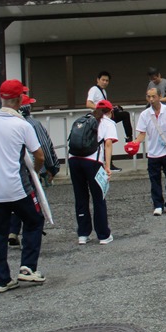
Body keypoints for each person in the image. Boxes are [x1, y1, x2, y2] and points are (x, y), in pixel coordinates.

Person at [0, 79, 46, 294]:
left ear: (2, 98)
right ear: (20, 99)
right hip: (17, 186)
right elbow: (39, 155)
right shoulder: (22, 125)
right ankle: (27, 267)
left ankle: (1, 279)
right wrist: (35, 172)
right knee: (34, 220)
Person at [8, 93, 60, 246]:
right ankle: (29, 238)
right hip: (29, 169)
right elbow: (45, 147)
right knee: (30, 204)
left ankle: (13, 230)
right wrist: (52, 168)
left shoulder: (7, 124)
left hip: (11, 170)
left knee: (15, 201)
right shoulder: (33, 124)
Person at [68, 99, 116, 244]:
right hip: (92, 161)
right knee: (98, 197)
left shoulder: (82, 119)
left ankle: (83, 234)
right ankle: (103, 235)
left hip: (73, 160)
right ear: (110, 111)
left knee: (80, 197)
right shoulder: (108, 122)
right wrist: (107, 166)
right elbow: (108, 144)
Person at [133, 88, 166, 215]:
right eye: (148, 96)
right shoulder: (145, 114)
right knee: (154, 180)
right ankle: (158, 205)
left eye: (154, 96)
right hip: (153, 152)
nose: (151, 99)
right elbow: (142, 133)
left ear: (160, 96)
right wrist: (135, 143)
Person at [87, 70, 134, 146]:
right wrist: (102, 108)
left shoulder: (103, 91)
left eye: (107, 81)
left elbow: (105, 105)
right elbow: (88, 104)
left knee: (123, 113)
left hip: (106, 116)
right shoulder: (94, 89)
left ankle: (129, 138)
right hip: (99, 117)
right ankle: (129, 138)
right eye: (103, 80)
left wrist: (112, 108)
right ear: (98, 80)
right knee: (125, 115)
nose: (105, 82)